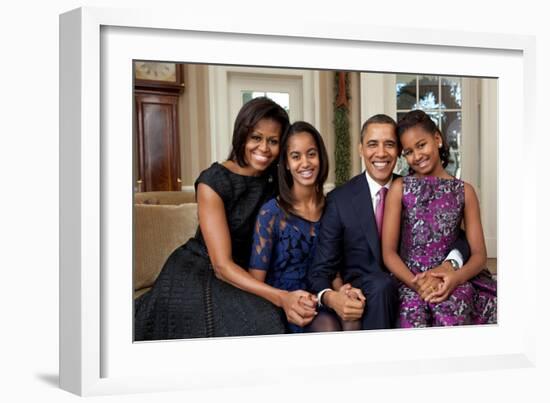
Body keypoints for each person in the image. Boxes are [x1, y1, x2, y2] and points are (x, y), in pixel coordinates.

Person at [134, 97, 315, 340]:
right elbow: (221, 265)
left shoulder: (277, 178)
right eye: (256, 138)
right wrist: (281, 297)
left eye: (273, 141)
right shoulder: (213, 181)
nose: (263, 148)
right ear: (241, 135)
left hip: (247, 272)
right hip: (200, 270)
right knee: (260, 323)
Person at [308, 114, 471, 331]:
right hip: (370, 294)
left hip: (417, 284)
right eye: (372, 144)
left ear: (398, 151)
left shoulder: (415, 188)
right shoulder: (340, 200)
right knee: (380, 285)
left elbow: (455, 234)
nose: (381, 153)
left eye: (390, 145)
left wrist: (451, 262)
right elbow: (320, 270)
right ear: (360, 149)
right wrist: (333, 295)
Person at [382, 109, 497, 327]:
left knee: (453, 307)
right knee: (411, 312)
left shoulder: (465, 191)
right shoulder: (400, 188)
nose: (416, 156)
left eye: (421, 145)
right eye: (408, 152)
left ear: (437, 139)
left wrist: (455, 278)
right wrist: (416, 284)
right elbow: (388, 252)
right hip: (410, 279)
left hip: (452, 278)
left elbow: (480, 255)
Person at [248, 121, 355, 333]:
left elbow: (333, 268)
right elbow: (255, 283)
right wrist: (285, 300)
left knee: (354, 318)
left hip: (323, 297)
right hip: (285, 305)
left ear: (320, 157)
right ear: (286, 163)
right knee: (329, 327)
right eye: (296, 156)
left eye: (311, 154)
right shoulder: (271, 213)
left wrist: (343, 291)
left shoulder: (334, 207)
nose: (305, 163)